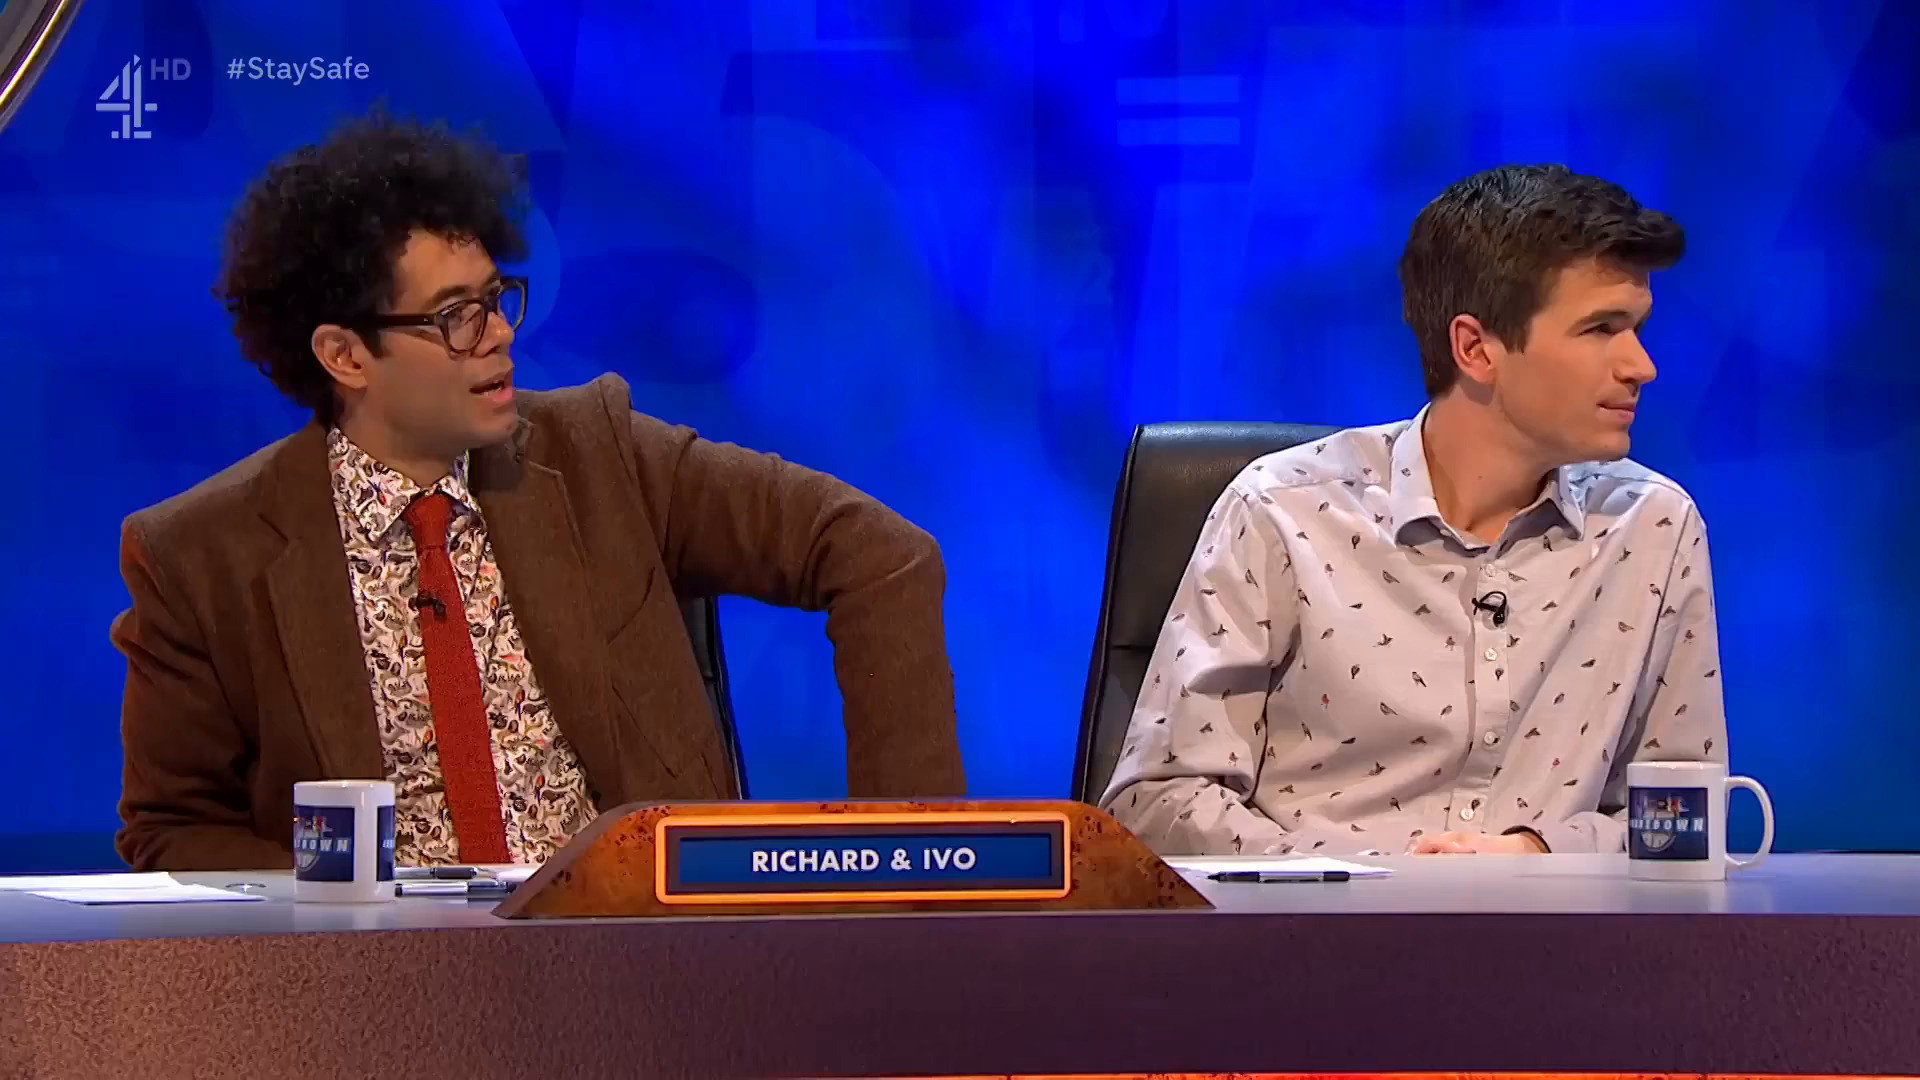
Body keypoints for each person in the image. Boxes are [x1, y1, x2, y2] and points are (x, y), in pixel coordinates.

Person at [111, 112, 965, 871]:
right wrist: (337, 899)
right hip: (383, 982)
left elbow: (879, 556)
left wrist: (908, 866)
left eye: (495, 299)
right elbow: (172, 830)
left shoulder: (605, 456)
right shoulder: (201, 559)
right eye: (455, 316)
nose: (498, 334)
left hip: (643, 964)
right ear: (346, 356)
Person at [1100, 164, 1725, 857]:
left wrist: (1537, 854)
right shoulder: (1280, 514)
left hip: (1550, 926)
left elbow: (1685, 824)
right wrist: (1368, 880)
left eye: (1637, 328)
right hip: (1313, 921)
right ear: (1475, 349)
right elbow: (1158, 802)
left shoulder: (1654, 528)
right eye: (1601, 329)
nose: (1641, 366)